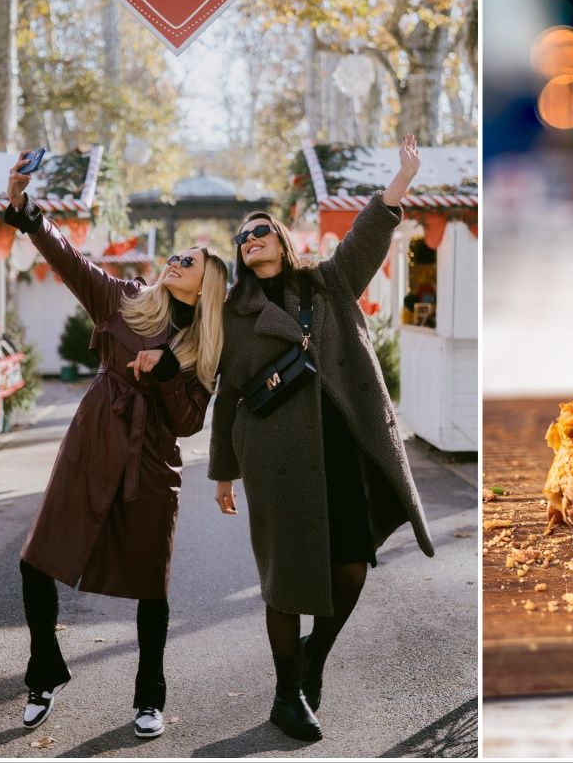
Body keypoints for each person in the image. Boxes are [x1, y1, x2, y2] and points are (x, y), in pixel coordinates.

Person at [209, 134, 435, 741]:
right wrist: (223, 470)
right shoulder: (233, 312)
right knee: (285, 578)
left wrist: (401, 180)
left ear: (281, 240)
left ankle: (315, 658)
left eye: (262, 231)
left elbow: (366, 238)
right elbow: (228, 394)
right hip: (275, 455)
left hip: (343, 445)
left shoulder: (327, 285)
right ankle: (287, 695)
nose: (253, 239)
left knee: (353, 569)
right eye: (244, 237)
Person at [3, 152, 228, 741]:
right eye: (178, 254)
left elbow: (188, 424)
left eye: (191, 261)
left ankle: (150, 697)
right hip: (93, 436)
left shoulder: (203, 349)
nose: (176, 261)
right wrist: (27, 211)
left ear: (207, 287)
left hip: (153, 462)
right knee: (37, 559)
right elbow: (72, 262)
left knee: (152, 585)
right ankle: (44, 671)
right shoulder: (125, 297)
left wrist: (163, 375)